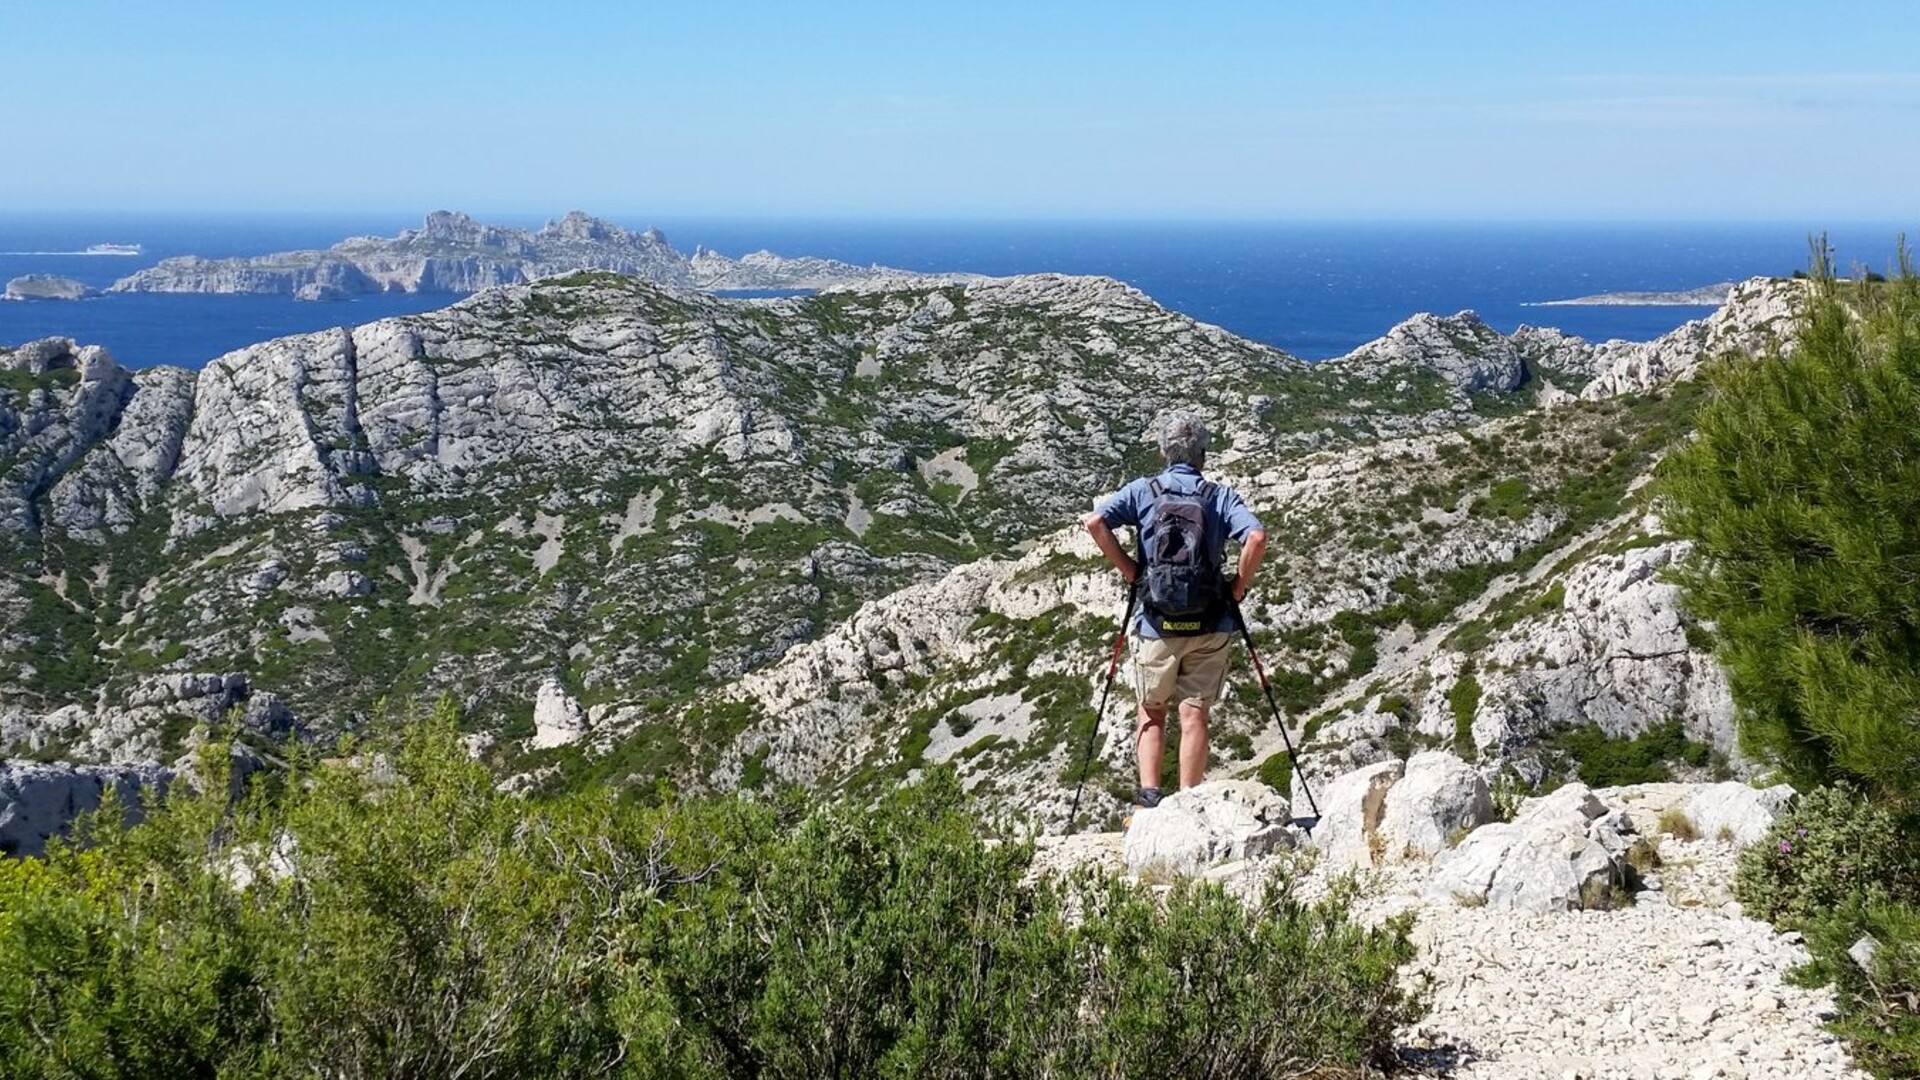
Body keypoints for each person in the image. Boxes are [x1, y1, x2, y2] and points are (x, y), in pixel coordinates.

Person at [1084, 412, 1267, 809]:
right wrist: (1238, 585)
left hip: (1156, 623)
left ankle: (1150, 799)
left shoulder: (1142, 491)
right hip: (1210, 621)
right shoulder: (1219, 496)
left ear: (1163, 451)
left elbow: (1096, 522)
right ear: (1203, 454)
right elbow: (1256, 536)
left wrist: (1130, 570)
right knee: (1194, 714)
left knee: (1151, 713)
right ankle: (1188, 802)